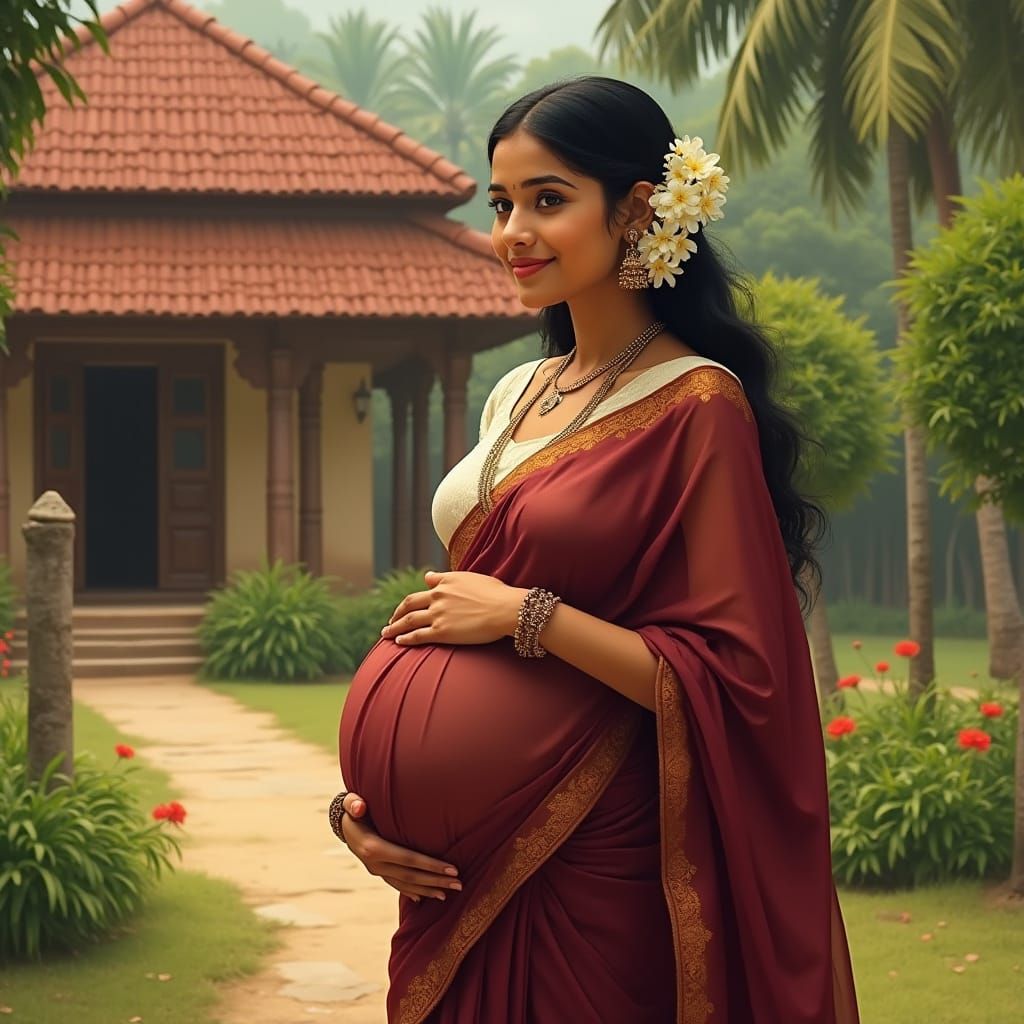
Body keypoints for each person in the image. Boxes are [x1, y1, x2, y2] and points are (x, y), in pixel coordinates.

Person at [333, 76, 860, 1024]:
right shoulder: (515, 393)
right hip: (454, 874)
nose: (513, 232)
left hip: (593, 862)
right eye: (501, 204)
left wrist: (527, 615)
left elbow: (740, 680)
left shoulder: (699, 406)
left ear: (637, 211)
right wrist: (364, 815)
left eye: (548, 200)